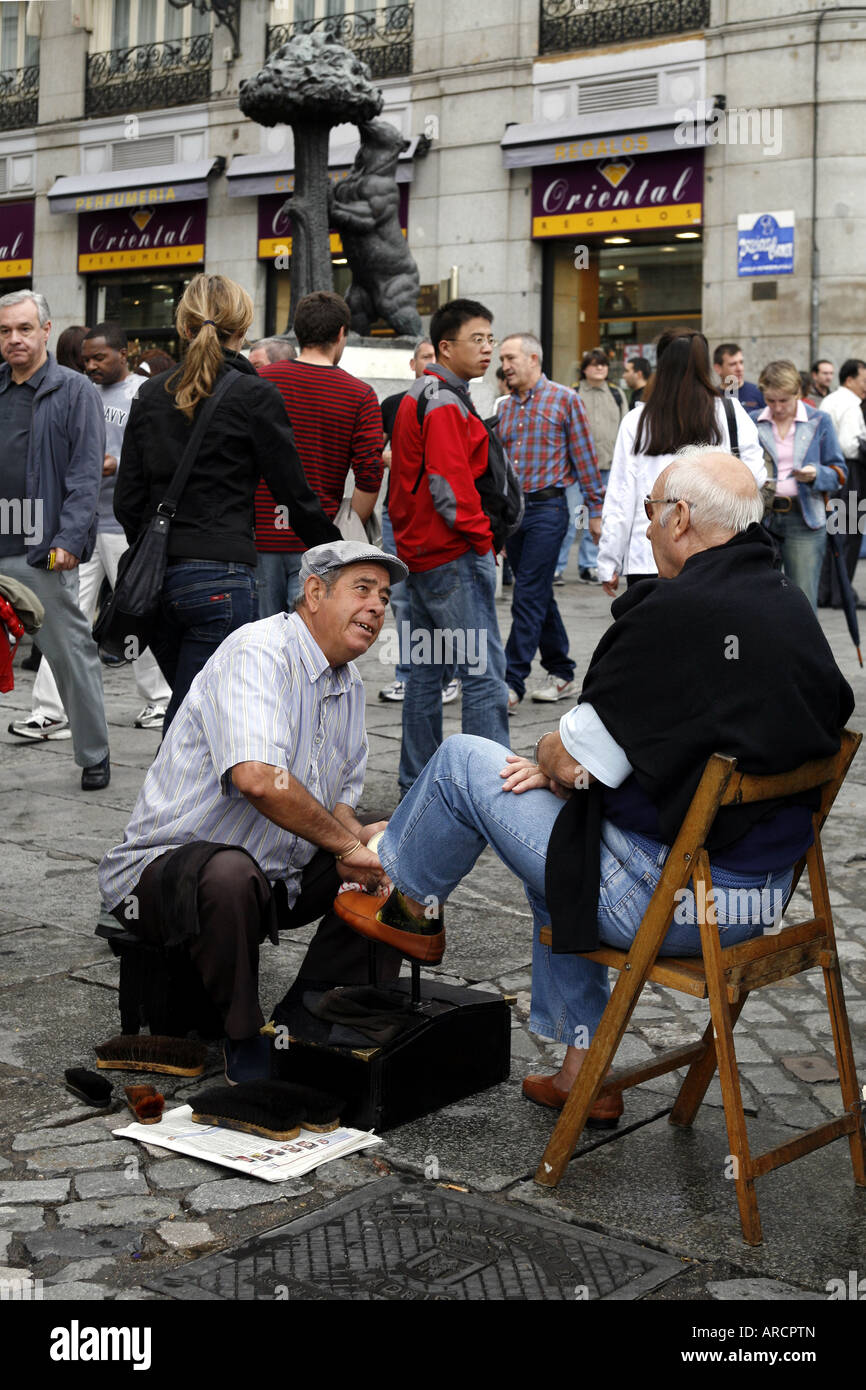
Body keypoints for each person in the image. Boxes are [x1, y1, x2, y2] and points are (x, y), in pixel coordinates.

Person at [335, 451, 854, 1120]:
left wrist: (553, 756)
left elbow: (580, 755)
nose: (648, 526)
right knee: (559, 825)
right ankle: (587, 1069)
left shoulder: (679, 611)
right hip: (763, 896)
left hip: (680, 903)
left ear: (681, 518)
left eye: (649, 512)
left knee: (467, 760)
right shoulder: (784, 601)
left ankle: (407, 900)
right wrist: (564, 771)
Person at [99, 541, 406, 1084]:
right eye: (362, 589)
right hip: (163, 876)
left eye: (384, 597)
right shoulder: (259, 651)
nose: (378, 607)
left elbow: (340, 805)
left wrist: (367, 840)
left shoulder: (350, 682)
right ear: (314, 592)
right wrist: (345, 843)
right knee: (228, 871)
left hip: (275, 875)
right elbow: (257, 780)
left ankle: (316, 1013)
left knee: (393, 857)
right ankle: (245, 1037)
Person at [114, 274, 340, 732]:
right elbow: (292, 494)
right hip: (222, 575)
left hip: (156, 584)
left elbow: (127, 500)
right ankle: (167, 804)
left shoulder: (150, 393)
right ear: (244, 326)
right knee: (196, 724)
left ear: (183, 325)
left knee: (197, 714)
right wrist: (337, 552)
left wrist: (156, 548)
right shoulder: (254, 394)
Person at [9, 322, 172, 741]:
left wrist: (116, 463)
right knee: (59, 617)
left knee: (136, 611)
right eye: (87, 360)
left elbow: (158, 454)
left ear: (125, 352)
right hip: (76, 525)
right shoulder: (73, 390)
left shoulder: (143, 391)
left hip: (122, 523)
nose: (92, 366)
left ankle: (162, 697)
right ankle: (50, 710)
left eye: (100, 358)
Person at [388, 297, 510, 796]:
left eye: (490, 339)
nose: (488, 350)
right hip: (451, 555)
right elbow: (448, 486)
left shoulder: (422, 393)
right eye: (477, 340)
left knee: (425, 671)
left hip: (419, 555)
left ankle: (416, 781)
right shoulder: (442, 400)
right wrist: (482, 539)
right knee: (482, 672)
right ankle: (489, 792)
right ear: (445, 346)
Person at [0, 290, 111, 789]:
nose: (14, 339)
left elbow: (86, 473)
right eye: (5, 331)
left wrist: (68, 537)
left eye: (24, 329)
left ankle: (94, 753)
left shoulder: (74, 390)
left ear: (46, 330)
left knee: (69, 651)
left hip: (37, 545)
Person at [597, 328, 766, 593]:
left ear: (660, 364)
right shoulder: (731, 414)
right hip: (717, 553)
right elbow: (754, 479)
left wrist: (609, 561)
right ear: (705, 364)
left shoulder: (637, 423)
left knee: (652, 634)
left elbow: (621, 497)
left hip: (650, 556)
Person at [254, 291, 384, 617]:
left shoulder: (259, 382)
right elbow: (370, 473)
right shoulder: (360, 395)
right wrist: (348, 524)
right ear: (341, 334)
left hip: (257, 539)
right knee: (311, 651)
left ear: (297, 334)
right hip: (317, 542)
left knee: (258, 650)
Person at [497, 332, 603, 710]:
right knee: (538, 590)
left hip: (549, 509)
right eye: (502, 358)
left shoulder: (565, 399)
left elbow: (586, 458)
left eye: (510, 357)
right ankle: (562, 671)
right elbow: (500, 472)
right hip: (514, 514)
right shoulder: (504, 407)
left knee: (527, 592)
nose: (504, 365)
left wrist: (596, 511)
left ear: (533, 359)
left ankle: (512, 680)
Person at [378, 337, 459, 705]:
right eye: (422, 358)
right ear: (412, 366)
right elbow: (377, 454)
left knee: (439, 600)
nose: (428, 364)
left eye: (434, 357)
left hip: (436, 516)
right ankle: (406, 675)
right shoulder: (396, 404)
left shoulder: (451, 402)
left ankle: (448, 675)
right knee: (401, 599)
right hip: (398, 512)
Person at [753, 360, 846, 612]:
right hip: (763, 518)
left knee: (802, 601)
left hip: (804, 518)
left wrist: (815, 474)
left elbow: (839, 473)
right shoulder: (753, 421)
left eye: (784, 400)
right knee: (761, 600)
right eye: (770, 400)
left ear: (798, 394)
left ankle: (803, 651)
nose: (777, 407)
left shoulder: (819, 421)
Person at [554, 348, 628, 585]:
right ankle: (557, 567)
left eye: (603, 364)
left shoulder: (617, 394)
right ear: (584, 369)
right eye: (594, 364)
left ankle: (589, 566)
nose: (600, 368)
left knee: (597, 520)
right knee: (573, 518)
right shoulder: (572, 393)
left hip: (607, 467)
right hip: (576, 470)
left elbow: (625, 430)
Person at [818, 358, 866, 608]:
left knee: (833, 537)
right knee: (849, 535)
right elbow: (850, 445)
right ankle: (842, 596)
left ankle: (826, 593)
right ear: (850, 379)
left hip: (832, 474)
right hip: (850, 475)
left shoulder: (830, 400)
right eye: (864, 380)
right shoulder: (851, 405)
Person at [713, 342, 765, 413]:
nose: (739, 368)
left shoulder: (759, 393)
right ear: (718, 368)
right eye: (733, 364)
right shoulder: (712, 397)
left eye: (741, 362)